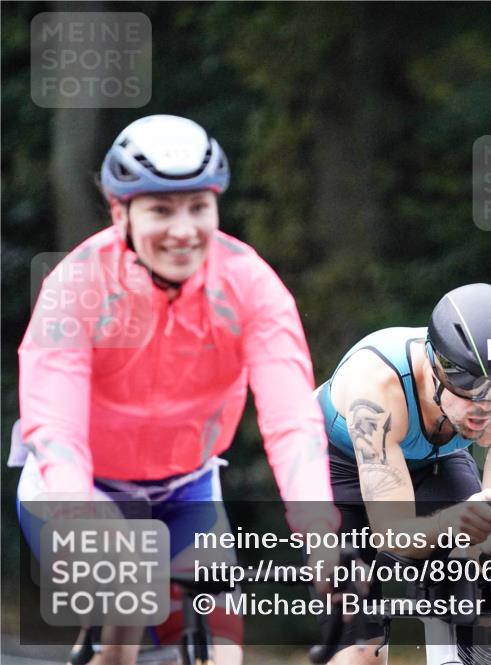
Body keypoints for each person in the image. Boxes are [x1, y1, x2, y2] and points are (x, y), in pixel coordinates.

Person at [12, 114, 341, 665]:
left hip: (186, 489)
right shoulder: (78, 284)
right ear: (121, 213)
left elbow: (291, 423)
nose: (184, 230)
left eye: (198, 207)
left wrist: (318, 528)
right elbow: (55, 421)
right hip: (79, 489)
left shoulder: (251, 285)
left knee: (223, 651)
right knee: (126, 605)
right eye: (161, 210)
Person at [314, 283, 491, 665]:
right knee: (360, 647)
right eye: (470, 385)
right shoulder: (376, 386)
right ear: (436, 365)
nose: (485, 405)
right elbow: (391, 535)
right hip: (338, 461)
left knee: (484, 564)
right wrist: (450, 523)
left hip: (434, 459)